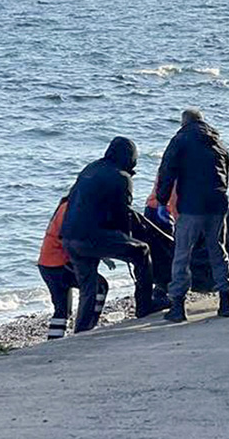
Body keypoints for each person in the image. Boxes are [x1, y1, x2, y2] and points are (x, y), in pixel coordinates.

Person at [61, 137, 162, 333]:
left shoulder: (91, 168)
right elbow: (121, 215)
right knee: (142, 251)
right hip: (92, 236)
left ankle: (81, 329)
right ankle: (144, 305)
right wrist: (128, 239)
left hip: (69, 236)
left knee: (88, 286)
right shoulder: (121, 177)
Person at [157, 108, 229, 322]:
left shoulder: (180, 140)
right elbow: (225, 173)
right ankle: (226, 301)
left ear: (184, 123)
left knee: (182, 253)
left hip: (192, 205)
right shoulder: (218, 142)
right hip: (217, 203)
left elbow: (167, 170)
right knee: (217, 249)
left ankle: (178, 306)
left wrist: (162, 200)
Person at [37, 196, 108, 339]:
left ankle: (54, 341)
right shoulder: (71, 210)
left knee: (62, 310)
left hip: (47, 264)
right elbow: (72, 239)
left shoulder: (66, 207)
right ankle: (88, 325)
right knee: (99, 286)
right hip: (59, 264)